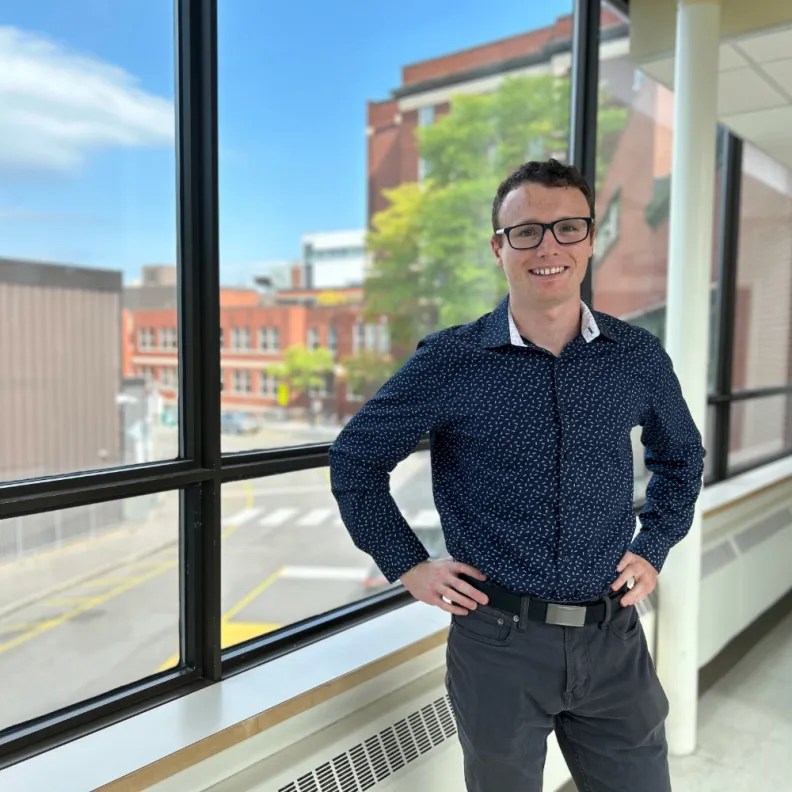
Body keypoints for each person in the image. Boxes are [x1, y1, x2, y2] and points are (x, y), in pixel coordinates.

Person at [329, 159, 705, 792]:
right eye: (527, 232)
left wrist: (655, 545)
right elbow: (356, 460)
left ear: (589, 240)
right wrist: (408, 564)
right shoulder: (452, 359)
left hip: (613, 639)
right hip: (498, 644)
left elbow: (682, 456)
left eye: (567, 228)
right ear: (499, 248)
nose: (548, 247)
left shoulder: (635, 355)